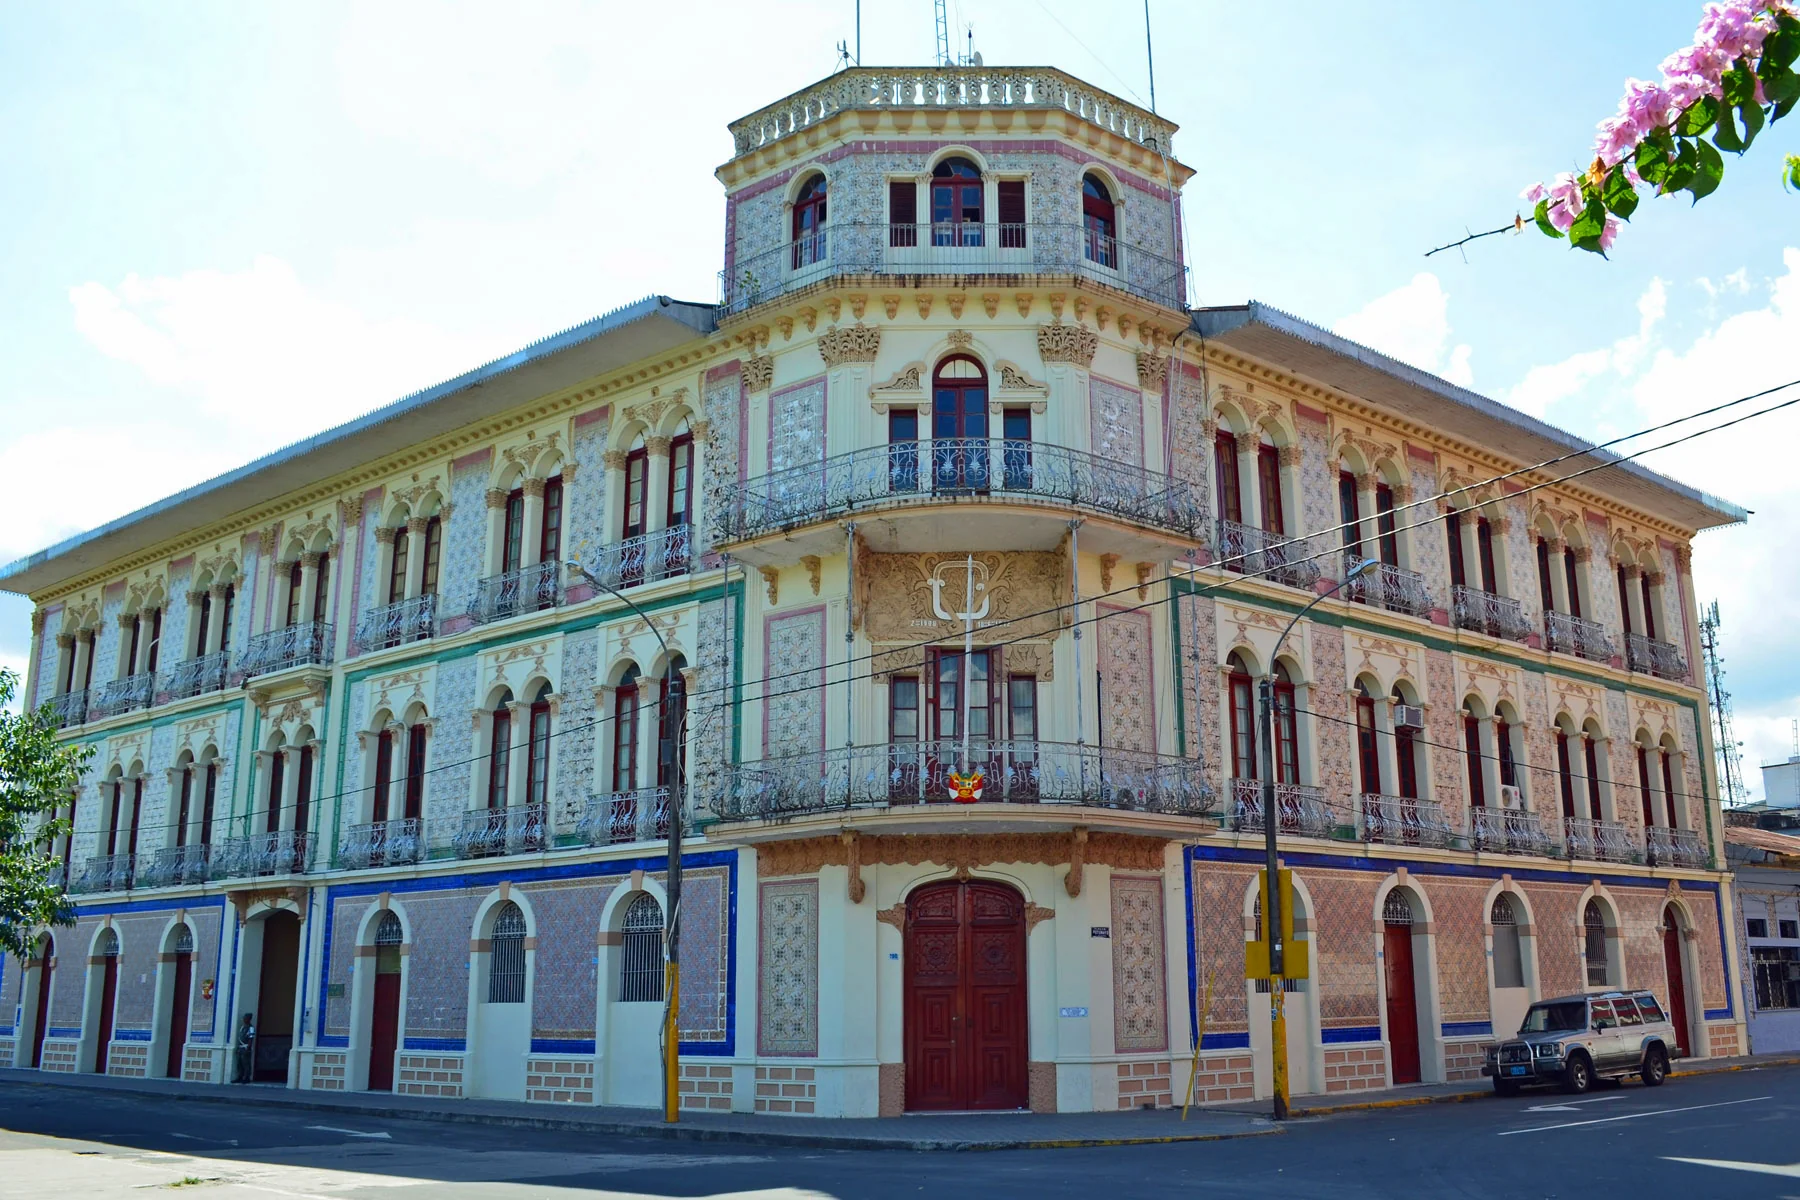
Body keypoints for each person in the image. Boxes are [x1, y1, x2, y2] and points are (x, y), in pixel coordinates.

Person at [233, 1013, 256, 1083]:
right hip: (240, 1047)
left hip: (245, 1047)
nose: (244, 1019)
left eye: (245, 1018)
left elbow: (251, 1038)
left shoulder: (251, 1028)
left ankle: (247, 1077)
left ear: (249, 1019)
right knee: (239, 1063)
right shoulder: (242, 1027)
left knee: (246, 1063)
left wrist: (248, 1048)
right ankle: (240, 1076)